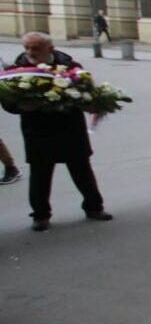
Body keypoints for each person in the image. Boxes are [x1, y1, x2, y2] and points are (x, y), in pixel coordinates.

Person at [1, 32, 113, 232]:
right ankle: (40, 215)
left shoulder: (70, 67)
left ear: (50, 49)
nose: (30, 52)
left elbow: (86, 91)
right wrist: (21, 107)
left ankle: (94, 207)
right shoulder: (16, 71)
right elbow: (8, 101)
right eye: (27, 48)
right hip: (37, 130)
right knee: (40, 174)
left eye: (36, 48)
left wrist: (90, 104)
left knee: (81, 169)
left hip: (69, 127)